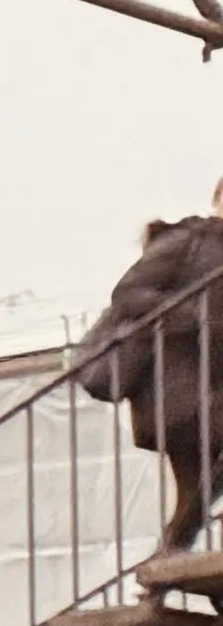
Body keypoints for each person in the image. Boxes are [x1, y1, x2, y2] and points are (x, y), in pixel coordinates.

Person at [75, 194, 223, 548]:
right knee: (196, 488)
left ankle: (165, 561)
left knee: (195, 494)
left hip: (209, 388)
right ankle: (167, 559)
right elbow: (129, 293)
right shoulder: (190, 240)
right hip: (176, 391)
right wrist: (195, 317)